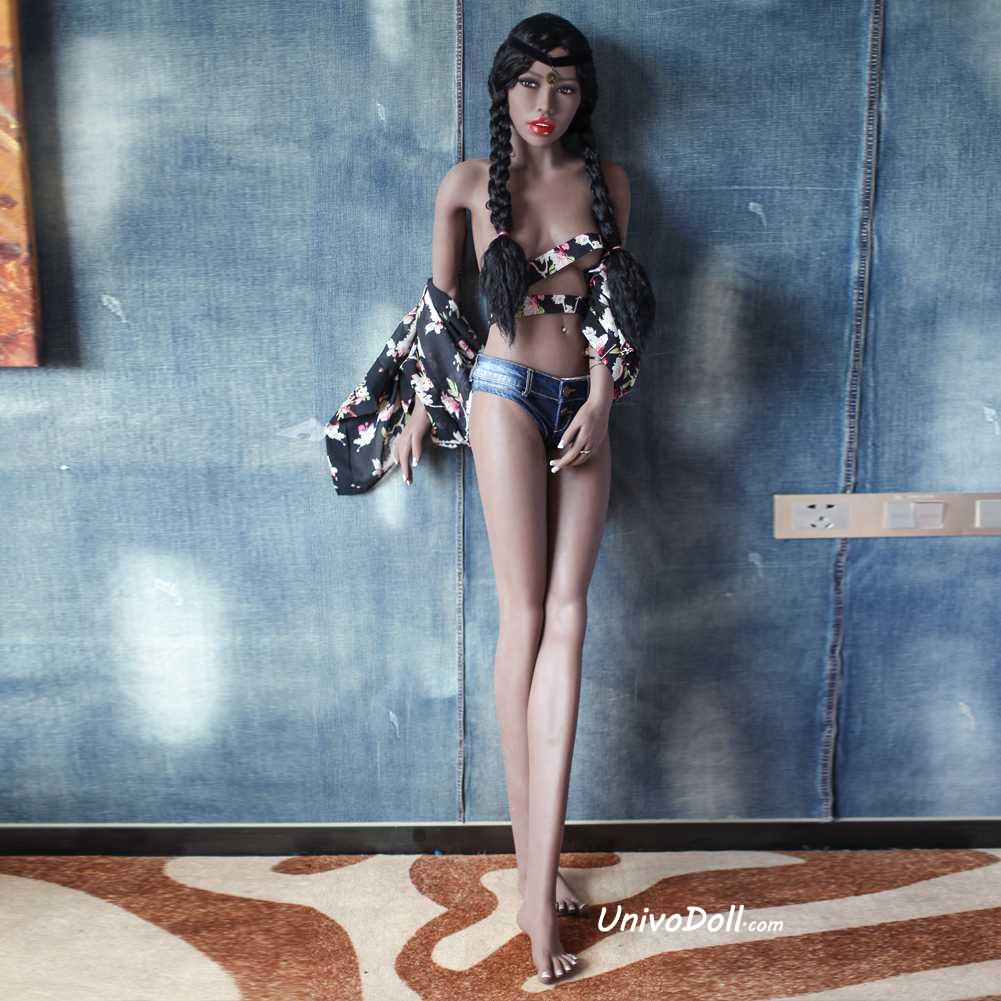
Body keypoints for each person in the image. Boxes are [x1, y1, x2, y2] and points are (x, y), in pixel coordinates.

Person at [326, 12, 655, 986]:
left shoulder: (610, 183)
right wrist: (420, 410)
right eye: (529, 84)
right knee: (524, 616)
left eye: (564, 85)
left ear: (584, 96)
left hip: (582, 404)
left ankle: (540, 865)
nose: (546, 103)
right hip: (503, 394)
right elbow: (440, 311)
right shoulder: (467, 184)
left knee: (571, 614)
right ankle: (532, 880)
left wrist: (601, 400)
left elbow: (614, 314)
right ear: (502, 90)